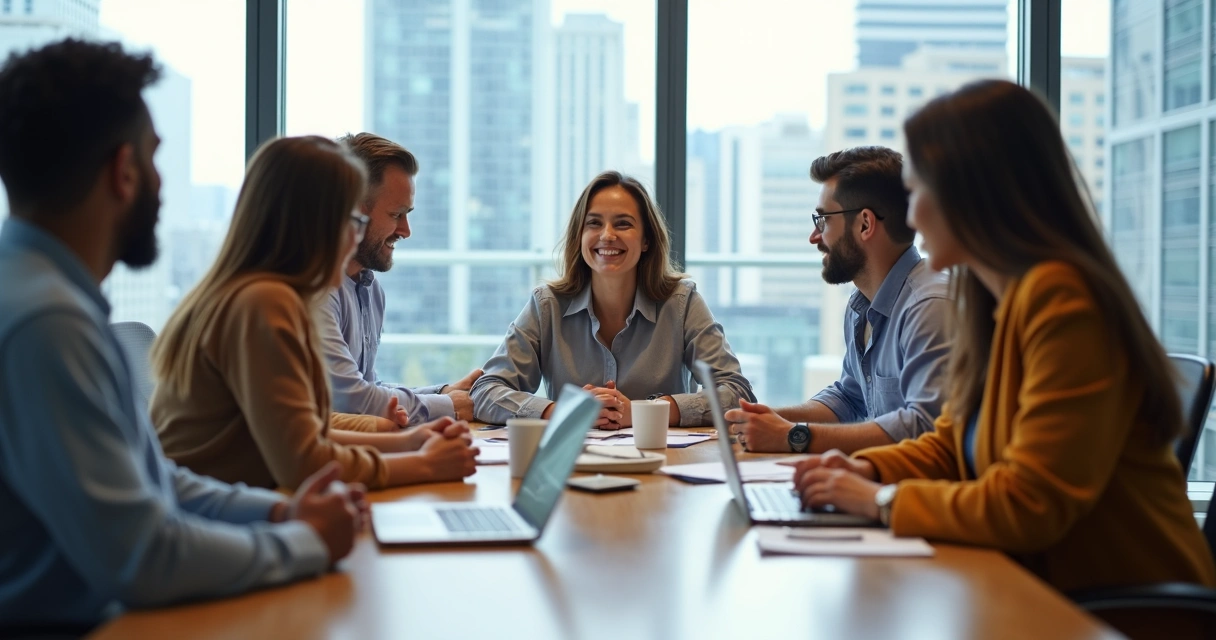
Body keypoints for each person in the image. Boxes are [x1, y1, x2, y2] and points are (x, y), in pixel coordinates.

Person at [791, 79, 1215, 594]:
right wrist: (861, 469)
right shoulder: (994, 303)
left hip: (1116, 610)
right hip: (1030, 586)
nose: (914, 217)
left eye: (920, 191)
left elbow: (1029, 504)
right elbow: (949, 443)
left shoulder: (1066, 302)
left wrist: (879, 500)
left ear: (972, 195)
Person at [0, 39, 363, 631]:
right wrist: (307, 542)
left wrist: (281, 512)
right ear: (124, 171)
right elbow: (144, 555)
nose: (162, 183)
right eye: (154, 159)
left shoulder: (47, 297)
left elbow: (154, 481)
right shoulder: (47, 323)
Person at [150, 135, 479, 491]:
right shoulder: (263, 303)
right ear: (314, 223)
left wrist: (410, 443)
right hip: (212, 519)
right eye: (352, 221)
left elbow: (307, 431)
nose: (355, 238)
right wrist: (424, 465)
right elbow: (304, 461)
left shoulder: (259, 293)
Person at [471, 170, 754, 428]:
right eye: (594, 223)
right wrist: (564, 412)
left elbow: (736, 392)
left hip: (664, 465)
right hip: (572, 467)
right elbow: (485, 391)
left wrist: (645, 411)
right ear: (580, 236)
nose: (607, 236)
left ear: (646, 241)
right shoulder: (547, 305)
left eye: (623, 224)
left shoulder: (682, 302)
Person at [725, 147, 951, 454]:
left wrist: (793, 435)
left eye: (823, 220)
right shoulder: (861, 306)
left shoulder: (930, 307)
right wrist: (767, 419)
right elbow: (850, 397)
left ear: (865, 224)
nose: (814, 237)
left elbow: (926, 427)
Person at [319, 132, 481, 425]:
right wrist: (447, 405)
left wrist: (444, 392)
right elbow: (350, 399)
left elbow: (368, 387)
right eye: (397, 214)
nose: (406, 230)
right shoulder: (319, 290)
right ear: (353, 211)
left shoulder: (369, 289)